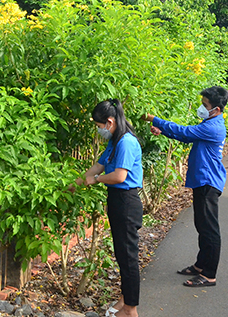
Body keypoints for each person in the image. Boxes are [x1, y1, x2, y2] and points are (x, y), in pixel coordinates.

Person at [144, 85, 228, 288]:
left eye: (205, 105)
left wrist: (154, 119)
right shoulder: (209, 122)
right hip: (203, 181)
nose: (201, 108)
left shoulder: (212, 126)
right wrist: (162, 130)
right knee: (202, 226)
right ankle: (201, 265)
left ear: (216, 109)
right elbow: (185, 135)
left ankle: (209, 275)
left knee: (209, 230)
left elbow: (184, 132)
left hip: (208, 182)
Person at [76, 99, 143, 317]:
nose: (98, 130)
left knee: (128, 256)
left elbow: (119, 176)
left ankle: (131, 310)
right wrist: (73, 184)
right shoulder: (115, 141)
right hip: (117, 201)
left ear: (110, 122)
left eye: (98, 125)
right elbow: (99, 165)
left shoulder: (126, 142)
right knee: (122, 254)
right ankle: (125, 299)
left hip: (126, 201)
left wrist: (94, 180)